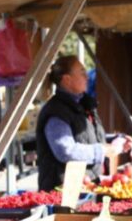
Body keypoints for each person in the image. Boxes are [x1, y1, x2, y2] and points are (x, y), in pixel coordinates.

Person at [36, 55, 117, 191]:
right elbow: (66, 151)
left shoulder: (84, 105)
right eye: (82, 72)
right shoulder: (56, 112)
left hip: (87, 187)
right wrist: (101, 151)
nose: (87, 77)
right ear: (67, 80)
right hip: (64, 193)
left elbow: (89, 138)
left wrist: (115, 140)